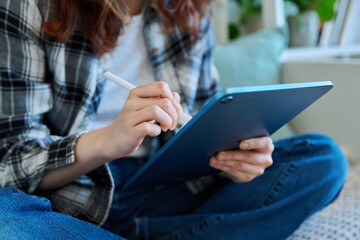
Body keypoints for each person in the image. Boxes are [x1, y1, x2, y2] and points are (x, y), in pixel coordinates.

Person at [0, 0, 348, 239]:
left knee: (323, 159)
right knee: (6, 218)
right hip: (71, 198)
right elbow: (12, 163)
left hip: (165, 187)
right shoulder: (32, 6)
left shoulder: (190, 9)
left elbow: (199, 118)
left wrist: (235, 157)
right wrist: (110, 140)